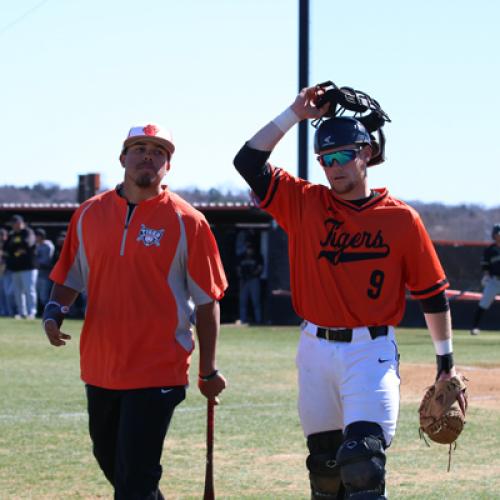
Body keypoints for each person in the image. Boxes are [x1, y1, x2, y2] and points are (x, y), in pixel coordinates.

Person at [233, 85, 466, 499]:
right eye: (326, 159)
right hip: (314, 349)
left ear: (366, 154)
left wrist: (445, 360)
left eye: (343, 155)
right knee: (324, 471)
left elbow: (432, 294)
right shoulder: (304, 202)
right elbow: (248, 160)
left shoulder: (401, 219)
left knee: (362, 465)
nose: (334, 166)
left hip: (369, 352)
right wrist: (294, 113)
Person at [42, 124, 228, 499]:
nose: (148, 156)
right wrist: (54, 310)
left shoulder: (188, 221)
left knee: (136, 477)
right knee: (112, 461)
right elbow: (70, 276)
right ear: (122, 158)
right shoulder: (89, 213)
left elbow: (207, 302)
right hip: (100, 365)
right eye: (140, 148)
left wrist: (208, 369)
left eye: (158, 151)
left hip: (158, 368)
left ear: (168, 165)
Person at [4, 214, 38, 319]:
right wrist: (18, 249)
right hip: (16, 268)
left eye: (17, 223)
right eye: (13, 223)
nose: (15, 225)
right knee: (18, 292)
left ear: (21, 223)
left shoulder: (28, 232)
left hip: (29, 267)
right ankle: (21, 312)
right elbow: (7, 249)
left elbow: (28, 244)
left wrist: (17, 248)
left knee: (29, 290)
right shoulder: (12, 235)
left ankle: (31, 312)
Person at [470, 223, 500, 335]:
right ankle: (475, 327)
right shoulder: (490, 250)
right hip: (494, 281)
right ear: (494, 235)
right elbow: (485, 265)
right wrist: (486, 276)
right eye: (498, 234)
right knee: (483, 304)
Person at [236, 240, 264, 324]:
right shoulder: (241, 257)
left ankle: (258, 320)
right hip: (244, 281)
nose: (249, 250)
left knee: (256, 301)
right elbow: (238, 269)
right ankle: (242, 319)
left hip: (254, 280)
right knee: (243, 301)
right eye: (248, 248)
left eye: (250, 248)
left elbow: (260, 269)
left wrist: (251, 274)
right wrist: (242, 276)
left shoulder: (257, 256)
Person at [34, 228, 55, 311]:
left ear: (40, 236)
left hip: (46, 274)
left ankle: (50, 313)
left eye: (36, 236)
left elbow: (46, 261)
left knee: (44, 296)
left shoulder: (48, 246)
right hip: (38, 274)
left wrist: (32, 262)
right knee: (39, 296)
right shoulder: (37, 245)